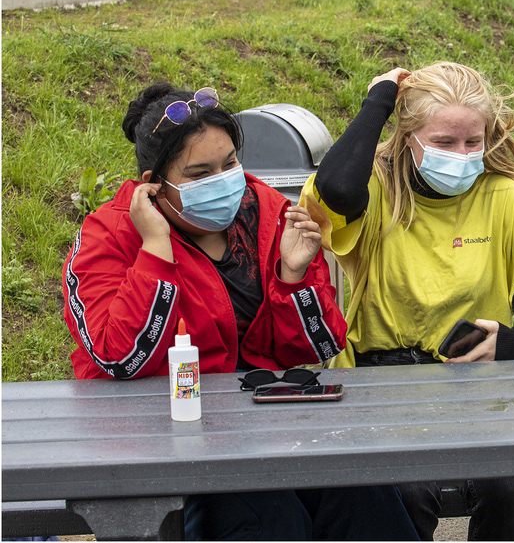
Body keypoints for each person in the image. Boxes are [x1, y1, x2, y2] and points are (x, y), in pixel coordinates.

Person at [62, 83, 419, 541]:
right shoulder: (109, 235)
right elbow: (119, 358)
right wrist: (154, 251)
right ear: (154, 184)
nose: (223, 180)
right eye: (199, 173)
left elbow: (318, 345)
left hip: (265, 423)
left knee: (364, 491)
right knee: (268, 516)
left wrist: (293, 276)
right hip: (162, 437)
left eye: (229, 163)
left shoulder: (266, 211)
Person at [301, 62, 514, 540]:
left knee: (505, 489)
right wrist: (379, 100)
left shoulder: (506, 196)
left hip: (476, 382)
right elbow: (335, 190)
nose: (461, 155)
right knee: (407, 492)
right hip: (382, 380)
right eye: (444, 142)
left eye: (472, 142)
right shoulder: (378, 187)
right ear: (407, 138)